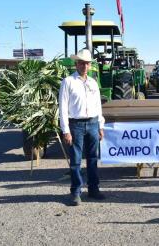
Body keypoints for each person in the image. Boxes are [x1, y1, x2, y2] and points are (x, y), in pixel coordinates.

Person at [59, 48, 105, 206]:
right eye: (81, 63)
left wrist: (100, 125)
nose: (84, 66)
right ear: (76, 64)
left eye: (87, 63)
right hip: (76, 125)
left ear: (90, 65)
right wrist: (66, 130)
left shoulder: (93, 83)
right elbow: (63, 107)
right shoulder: (68, 82)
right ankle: (76, 192)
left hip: (93, 123)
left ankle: (93, 189)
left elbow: (98, 105)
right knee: (76, 160)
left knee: (93, 159)